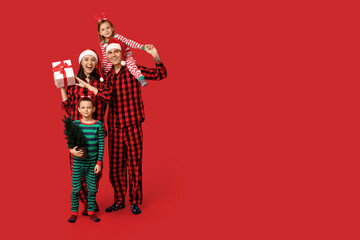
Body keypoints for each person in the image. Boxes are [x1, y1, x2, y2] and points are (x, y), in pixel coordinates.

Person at [76, 38, 167, 214]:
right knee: (116, 167)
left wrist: (155, 55)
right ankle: (119, 200)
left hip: (133, 125)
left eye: (116, 51)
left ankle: (134, 201)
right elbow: (103, 97)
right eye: (110, 52)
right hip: (116, 127)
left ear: (122, 53)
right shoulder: (107, 78)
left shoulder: (133, 70)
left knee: (134, 164)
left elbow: (161, 74)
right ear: (107, 57)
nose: (113, 55)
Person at [60, 49, 107, 216]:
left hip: (95, 133)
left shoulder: (102, 83)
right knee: (77, 172)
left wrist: (87, 85)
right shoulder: (72, 84)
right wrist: (62, 87)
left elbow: (107, 96)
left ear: (95, 64)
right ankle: (85, 203)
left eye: (92, 59)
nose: (89, 62)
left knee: (95, 173)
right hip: (77, 135)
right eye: (85, 59)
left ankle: (90, 202)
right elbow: (67, 108)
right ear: (81, 62)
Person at [67, 96, 104, 223]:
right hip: (78, 163)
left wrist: (99, 162)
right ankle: (74, 212)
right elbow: (70, 142)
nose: (86, 110)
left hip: (92, 163)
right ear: (78, 109)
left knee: (92, 188)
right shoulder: (75, 124)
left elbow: (101, 144)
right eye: (83, 108)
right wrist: (71, 150)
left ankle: (91, 211)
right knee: (76, 189)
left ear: (93, 109)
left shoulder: (98, 124)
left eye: (88, 107)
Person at [96, 13, 153, 87]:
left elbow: (129, 42)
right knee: (106, 69)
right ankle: (103, 83)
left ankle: (141, 78)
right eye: (103, 29)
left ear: (112, 28)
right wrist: (102, 68)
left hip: (126, 56)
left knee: (131, 65)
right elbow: (105, 57)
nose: (106, 31)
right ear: (100, 33)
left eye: (108, 28)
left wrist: (142, 47)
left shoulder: (118, 37)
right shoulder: (102, 44)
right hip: (113, 59)